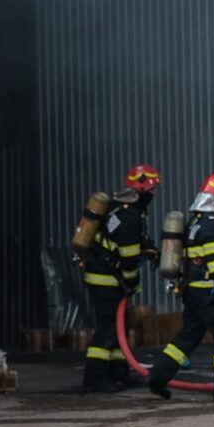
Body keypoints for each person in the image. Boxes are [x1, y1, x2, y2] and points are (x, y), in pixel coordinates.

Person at [147, 172, 214, 401]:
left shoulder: (196, 221)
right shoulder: (213, 224)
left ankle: (158, 376)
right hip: (210, 291)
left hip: (193, 291)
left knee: (188, 336)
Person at [78, 164, 160, 393]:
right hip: (105, 280)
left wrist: (149, 248)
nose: (154, 195)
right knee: (107, 328)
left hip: (104, 275)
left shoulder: (121, 209)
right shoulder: (129, 217)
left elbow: (131, 241)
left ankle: (119, 374)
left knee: (119, 327)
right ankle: (94, 379)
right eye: (152, 190)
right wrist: (133, 284)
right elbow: (129, 260)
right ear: (142, 190)